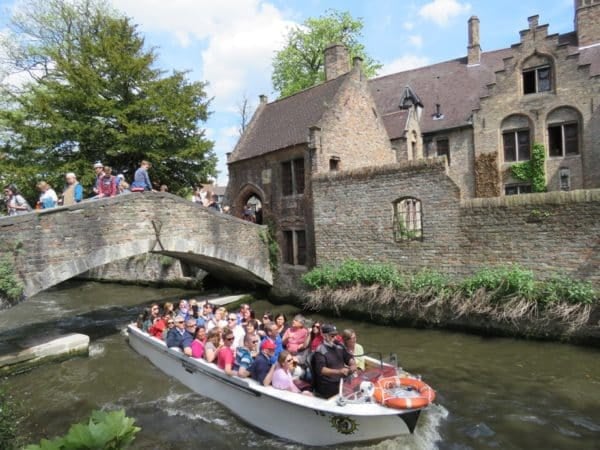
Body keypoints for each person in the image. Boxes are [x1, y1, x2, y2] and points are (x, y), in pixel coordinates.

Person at [312, 324, 357, 398]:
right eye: (332, 336)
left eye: (336, 335)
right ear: (324, 336)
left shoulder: (339, 345)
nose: (335, 337)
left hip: (342, 382)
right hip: (329, 385)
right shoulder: (320, 351)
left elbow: (348, 357)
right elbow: (322, 370)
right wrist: (339, 372)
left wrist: (353, 364)